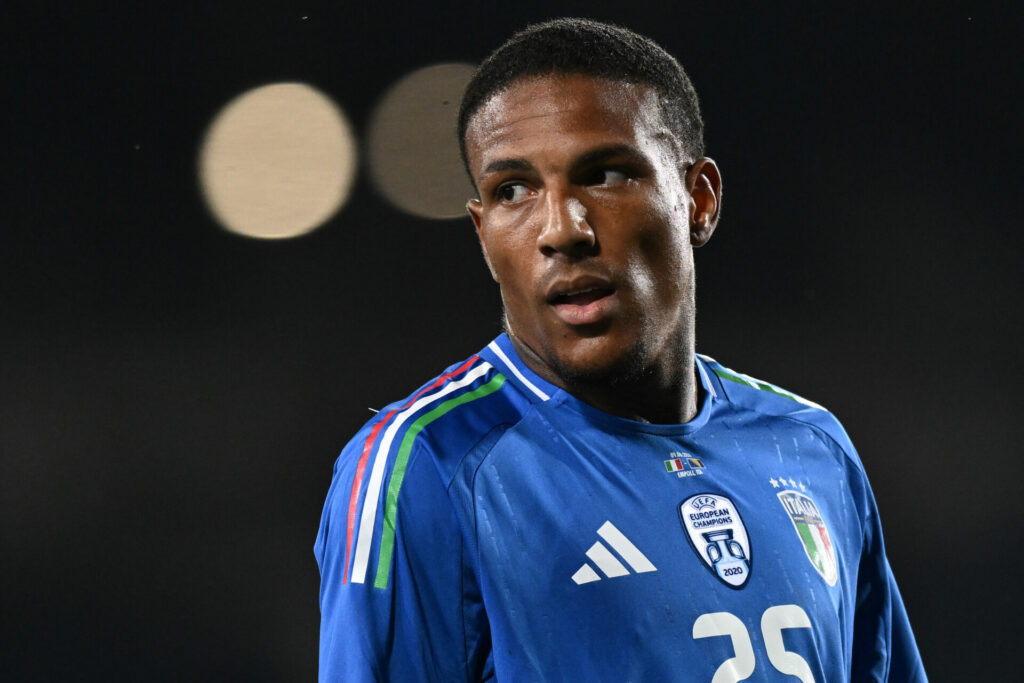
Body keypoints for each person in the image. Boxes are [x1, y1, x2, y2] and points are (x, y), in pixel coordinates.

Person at [315, 18, 926, 682]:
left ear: (698, 200)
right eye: (512, 190)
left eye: (603, 174)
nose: (561, 229)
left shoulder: (810, 448)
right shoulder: (427, 466)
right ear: (483, 233)